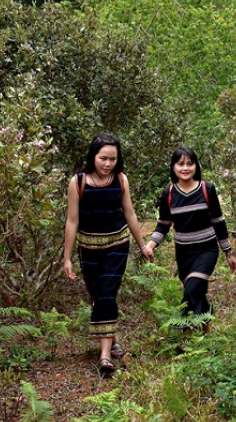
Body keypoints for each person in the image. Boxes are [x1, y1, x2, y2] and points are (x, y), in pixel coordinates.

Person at [63, 133, 154, 374]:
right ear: (93, 156)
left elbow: (130, 214)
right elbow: (72, 221)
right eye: (103, 158)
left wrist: (143, 245)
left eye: (113, 159)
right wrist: (67, 257)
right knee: (97, 295)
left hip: (117, 245)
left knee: (107, 294)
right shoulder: (78, 182)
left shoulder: (121, 180)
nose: (108, 164)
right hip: (89, 249)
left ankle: (104, 357)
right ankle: (112, 339)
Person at [145, 147, 236, 335]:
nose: (185, 168)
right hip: (184, 253)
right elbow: (163, 224)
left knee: (193, 287)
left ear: (196, 166)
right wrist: (151, 245)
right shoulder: (169, 193)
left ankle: (186, 332)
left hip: (207, 250)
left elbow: (218, 221)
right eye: (180, 164)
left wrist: (228, 252)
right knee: (196, 290)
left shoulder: (206, 189)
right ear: (173, 167)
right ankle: (205, 326)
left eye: (190, 163)